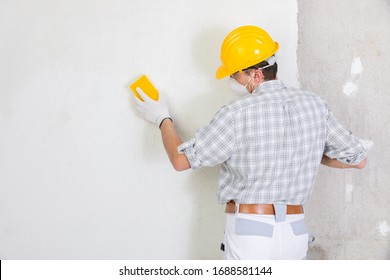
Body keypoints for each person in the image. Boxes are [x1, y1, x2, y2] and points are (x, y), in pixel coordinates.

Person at [134, 25, 367, 260]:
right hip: (296, 233)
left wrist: (161, 117)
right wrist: (312, 151)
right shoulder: (314, 104)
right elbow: (358, 159)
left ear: (255, 75)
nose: (231, 80)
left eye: (235, 75)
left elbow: (180, 160)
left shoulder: (237, 113)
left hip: (251, 233)